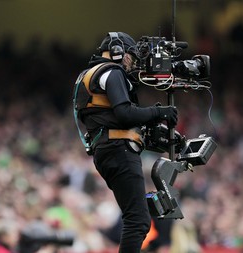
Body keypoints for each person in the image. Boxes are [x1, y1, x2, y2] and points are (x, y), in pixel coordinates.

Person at [73, 32, 178, 253]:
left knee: (135, 218)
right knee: (138, 221)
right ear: (118, 51)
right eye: (130, 55)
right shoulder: (112, 71)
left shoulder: (88, 75)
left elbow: (108, 116)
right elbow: (124, 113)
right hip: (118, 150)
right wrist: (159, 111)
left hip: (107, 150)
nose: (132, 62)